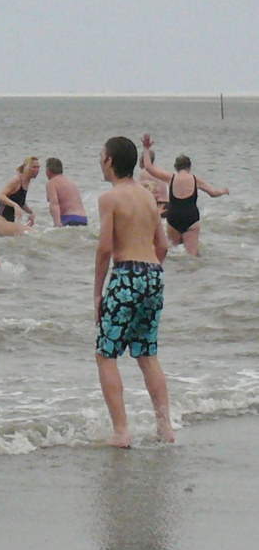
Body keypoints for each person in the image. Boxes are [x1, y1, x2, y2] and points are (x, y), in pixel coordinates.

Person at [93, 136, 173, 448]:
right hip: (154, 273)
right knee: (147, 354)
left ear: (110, 161)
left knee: (105, 354)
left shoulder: (109, 198)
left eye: (102, 156)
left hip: (126, 273)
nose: (100, 161)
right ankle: (165, 427)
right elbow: (162, 245)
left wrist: (98, 294)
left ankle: (121, 431)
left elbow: (104, 249)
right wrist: (149, 272)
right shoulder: (147, 196)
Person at [140, 141, 229, 257]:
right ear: (189, 167)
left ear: (176, 167)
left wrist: (146, 148)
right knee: (192, 256)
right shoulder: (195, 179)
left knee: (173, 254)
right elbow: (213, 193)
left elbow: (148, 167)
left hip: (173, 218)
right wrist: (223, 191)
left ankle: (176, 274)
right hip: (191, 218)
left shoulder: (170, 178)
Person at [0, 157, 39, 236]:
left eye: (38, 167)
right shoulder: (16, 180)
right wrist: (15, 206)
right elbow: (0, 196)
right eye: (34, 167)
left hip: (8, 222)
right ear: (26, 168)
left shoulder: (26, 182)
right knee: (32, 233)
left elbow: (20, 202)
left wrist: (31, 212)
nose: (37, 170)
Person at [43, 158, 88, 227]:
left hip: (69, 218)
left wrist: (57, 223)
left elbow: (54, 204)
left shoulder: (51, 183)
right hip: (83, 218)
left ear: (48, 171)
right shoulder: (70, 181)